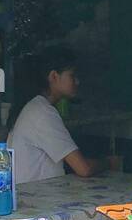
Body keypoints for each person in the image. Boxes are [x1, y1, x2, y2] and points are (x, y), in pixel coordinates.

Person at [7, 45, 111, 186]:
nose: (77, 81)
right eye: (72, 75)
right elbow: (83, 169)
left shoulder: (34, 106)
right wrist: (109, 163)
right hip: (37, 199)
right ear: (54, 76)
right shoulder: (42, 113)